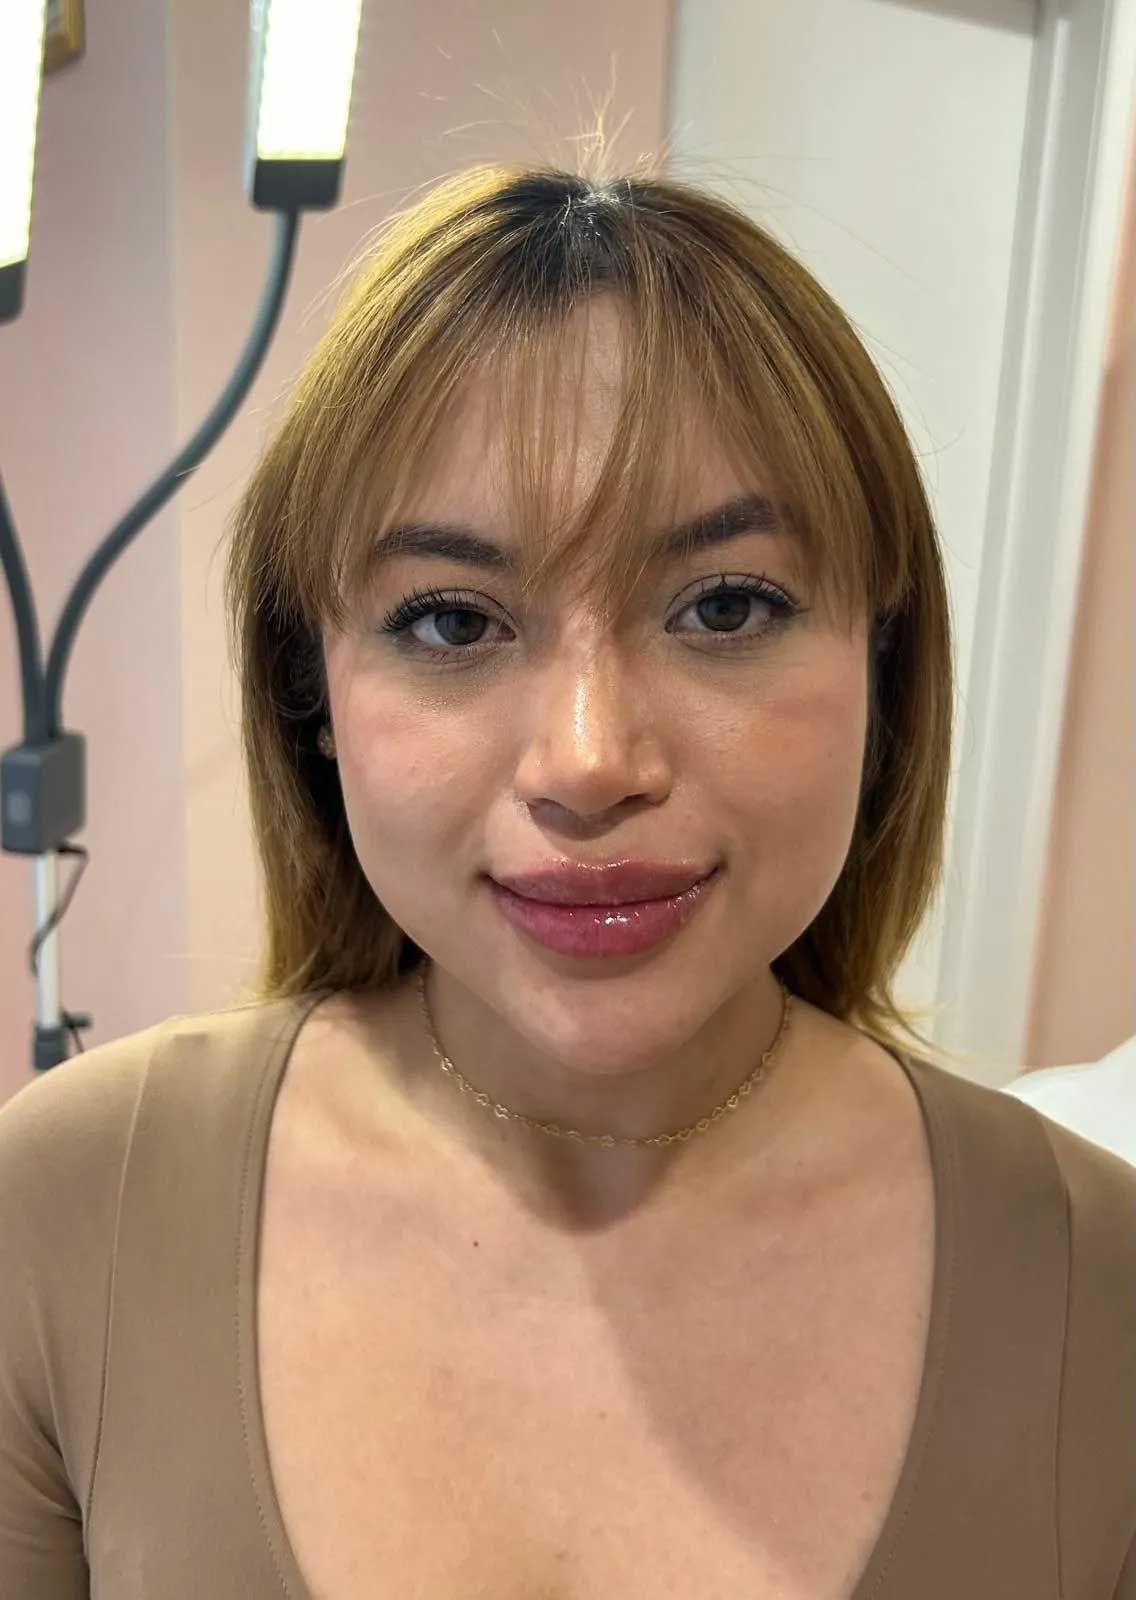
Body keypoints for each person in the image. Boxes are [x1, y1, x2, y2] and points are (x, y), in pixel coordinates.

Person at [1, 158, 1133, 1600]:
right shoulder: (67, 1214)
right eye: (453, 620)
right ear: (314, 695)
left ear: (884, 666)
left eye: (727, 604)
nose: (590, 760)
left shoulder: (1101, 1293)